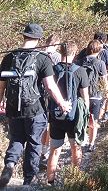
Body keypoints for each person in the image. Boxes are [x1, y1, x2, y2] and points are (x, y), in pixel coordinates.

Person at [0, 23, 71, 187]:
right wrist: (62, 104)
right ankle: (28, 181)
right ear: (39, 39)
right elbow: (50, 86)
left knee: (16, 139)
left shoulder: (9, 57)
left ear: (24, 36)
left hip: (13, 108)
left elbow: (1, 85)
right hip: (35, 109)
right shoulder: (42, 58)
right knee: (34, 143)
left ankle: (9, 165)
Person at [46, 41, 89, 186]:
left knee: (54, 150)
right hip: (74, 117)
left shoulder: (52, 69)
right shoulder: (80, 71)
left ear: (61, 51)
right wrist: (87, 116)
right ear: (74, 53)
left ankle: (50, 181)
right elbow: (85, 96)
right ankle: (74, 180)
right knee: (75, 147)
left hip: (56, 115)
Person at [78, 40, 108, 152]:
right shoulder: (100, 63)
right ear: (99, 50)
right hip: (95, 95)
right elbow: (104, 81)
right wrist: (106, 95)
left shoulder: (79, 62)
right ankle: (91, 143)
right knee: (93, 121)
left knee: (81, 119)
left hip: (80, 95)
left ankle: (79, 141)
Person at [40, 34, 62, 162]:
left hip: (39, 92)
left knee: (43, 123)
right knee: (51, 123)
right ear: (56, 44)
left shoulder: (39, 54)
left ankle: (42, 149)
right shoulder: (58, 57)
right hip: (52, 92)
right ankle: (47, 153)